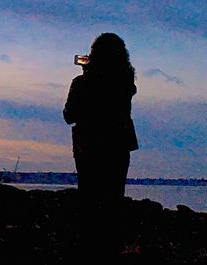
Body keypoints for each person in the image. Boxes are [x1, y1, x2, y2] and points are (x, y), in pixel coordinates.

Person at [63, 32, 139, 262]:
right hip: (118, 145)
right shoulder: (125, 83)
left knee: (88, 195)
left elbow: (69, 115)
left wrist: (87, 75)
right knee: (114, 195)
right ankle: (110, 245)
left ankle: (89, 245)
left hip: (89, 146)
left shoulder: (82, 83)